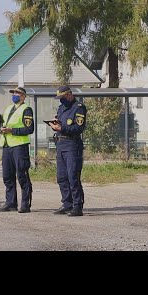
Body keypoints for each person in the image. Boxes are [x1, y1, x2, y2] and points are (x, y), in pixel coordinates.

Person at [48, 85, 86, 217]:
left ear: (69, 94)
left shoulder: (79, 108)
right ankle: (67, 203)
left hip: (72, 144)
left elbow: (78, 128)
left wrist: (61, 128)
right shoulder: (61, 108)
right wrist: (55, 125)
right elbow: (61, 125)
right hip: (61, 144)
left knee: (73, 176)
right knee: (61, 177)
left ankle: (77, 206)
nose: (61, 100)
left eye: (62, 97)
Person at [0, 86, 35, 213]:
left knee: (22, 175)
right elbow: (5, 124)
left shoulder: (26, 109)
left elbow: (29, 129)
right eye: (13, 93)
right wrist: (2, 129)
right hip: (7, 145)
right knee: (7, 176)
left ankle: (25, 203)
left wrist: (12, 130)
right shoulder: (8, 108)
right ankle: (11, 202)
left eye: (17, 93)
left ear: (23, 96)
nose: (15, 95)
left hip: (19, 146)